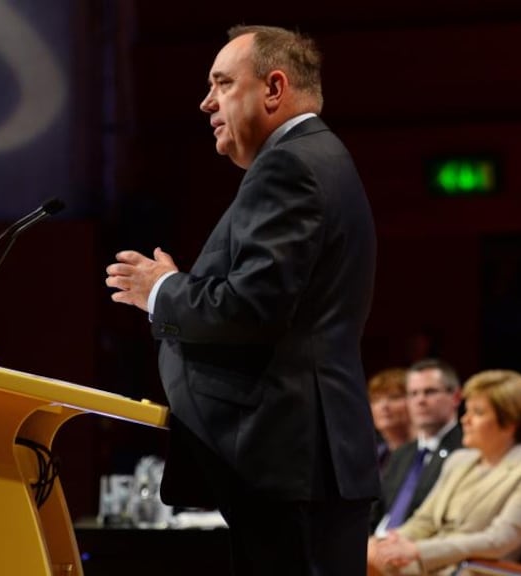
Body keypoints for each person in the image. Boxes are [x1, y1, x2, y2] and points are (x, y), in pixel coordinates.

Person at [104, 24, 378, 576]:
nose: (207, 102)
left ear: (273, 88)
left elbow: (253, 307)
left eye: (222, 83)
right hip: (304, 461)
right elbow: (271, 299)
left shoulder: (289, 165)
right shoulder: (315, 158)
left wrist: (160, 290)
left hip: (289, 461)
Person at [367, 370, 521, 576]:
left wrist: (418, 550)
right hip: (429, 565)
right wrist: (385, 544)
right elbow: (425, 520)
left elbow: (499, 539)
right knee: (364, 557)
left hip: (475, 570)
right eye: (467, 411)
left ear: (510, 422)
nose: (465, 420)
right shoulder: (459, 460)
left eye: (478, 412)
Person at [370, 359, 464, 536]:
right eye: (413, 394)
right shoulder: (402, 454)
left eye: (430, 392)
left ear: (456, 397)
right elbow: (374, 513)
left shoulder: (464, 451)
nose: (420, 400)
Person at [369, 367, 414, 472]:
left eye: (394, 397)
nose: (384, 406)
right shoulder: (372, 456)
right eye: (376, 399)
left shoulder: (426, 454)